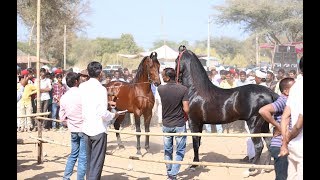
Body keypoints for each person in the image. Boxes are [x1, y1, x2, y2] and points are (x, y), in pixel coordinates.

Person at [79, 61, 121, 180]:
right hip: (98, 129)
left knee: (89, 162)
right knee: (96, 164)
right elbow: (102, 113)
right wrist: (114, 116)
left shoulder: (82, 86)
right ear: (100, 72)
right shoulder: (101, 89)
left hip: (86, 128)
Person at [259, 77, 295, 180]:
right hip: (280, 145)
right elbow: (263, 110)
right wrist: (279, 126)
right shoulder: (284, 100)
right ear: (286, 91)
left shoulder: (291, 100)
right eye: (294, 87)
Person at [158, 68, 189, 180]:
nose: (162, 77)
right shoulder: (183, 89)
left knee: (168, 150)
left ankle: (169, 173)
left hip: (166, 124)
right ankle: (173, 174)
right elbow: (186, 108)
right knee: (180, 150)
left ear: (167, 77)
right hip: (179, 124)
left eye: (163, 75)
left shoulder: (160, 89)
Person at [279, 56, 303, 180]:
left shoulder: (294, 87)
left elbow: (285, 117)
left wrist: (285, 142)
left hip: (293, 145)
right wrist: (289, 137)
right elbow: (300, 122)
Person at [59, 72, 86, 180]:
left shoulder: (64, 97)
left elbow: (62, 118)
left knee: (73, 154)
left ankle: (66, 177)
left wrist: (70, 122)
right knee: (83, 157)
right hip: (83, 129)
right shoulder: (83, 94)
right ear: (76, 82)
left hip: (73, 129)